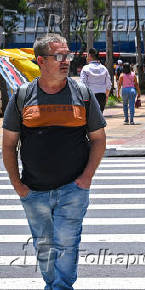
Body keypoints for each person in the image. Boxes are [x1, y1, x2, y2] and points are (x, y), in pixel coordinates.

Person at [2, 34, 106, 290]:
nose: (65, 61)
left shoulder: (81, 93)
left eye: (67, 55)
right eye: (58, 56)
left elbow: (99, 139)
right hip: (33, 190)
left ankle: (60, 287)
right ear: (41, 61)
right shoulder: (23, 96)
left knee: (67, 242)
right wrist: (18, 185)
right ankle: (55, 285)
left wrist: (86, 178)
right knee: (44, 245)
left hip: (73, 188)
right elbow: (8, 144)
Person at [80, 48, 112, 112]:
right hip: (102, 96)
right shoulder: (104, 68)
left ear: (89, 55)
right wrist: (106, 96)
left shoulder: (86, 68)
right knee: (99, 118)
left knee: (90, 118)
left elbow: (83, 84)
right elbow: (108, 84)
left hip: (90, 96)